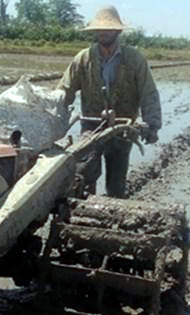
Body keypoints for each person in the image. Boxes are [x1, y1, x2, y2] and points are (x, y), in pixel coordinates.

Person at [57, 5, 161, 198]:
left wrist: (152, 125)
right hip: (91, 127)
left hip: (122, 128)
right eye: (100, 29)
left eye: (108, 29)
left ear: (117, 31)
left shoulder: (134, 59)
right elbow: (65, 90)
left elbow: (149, 93)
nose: (103, 33)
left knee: (116, 183)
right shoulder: (84, 58)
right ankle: (81, 217)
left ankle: (112, 218)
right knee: (84, 175)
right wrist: (52, 118)